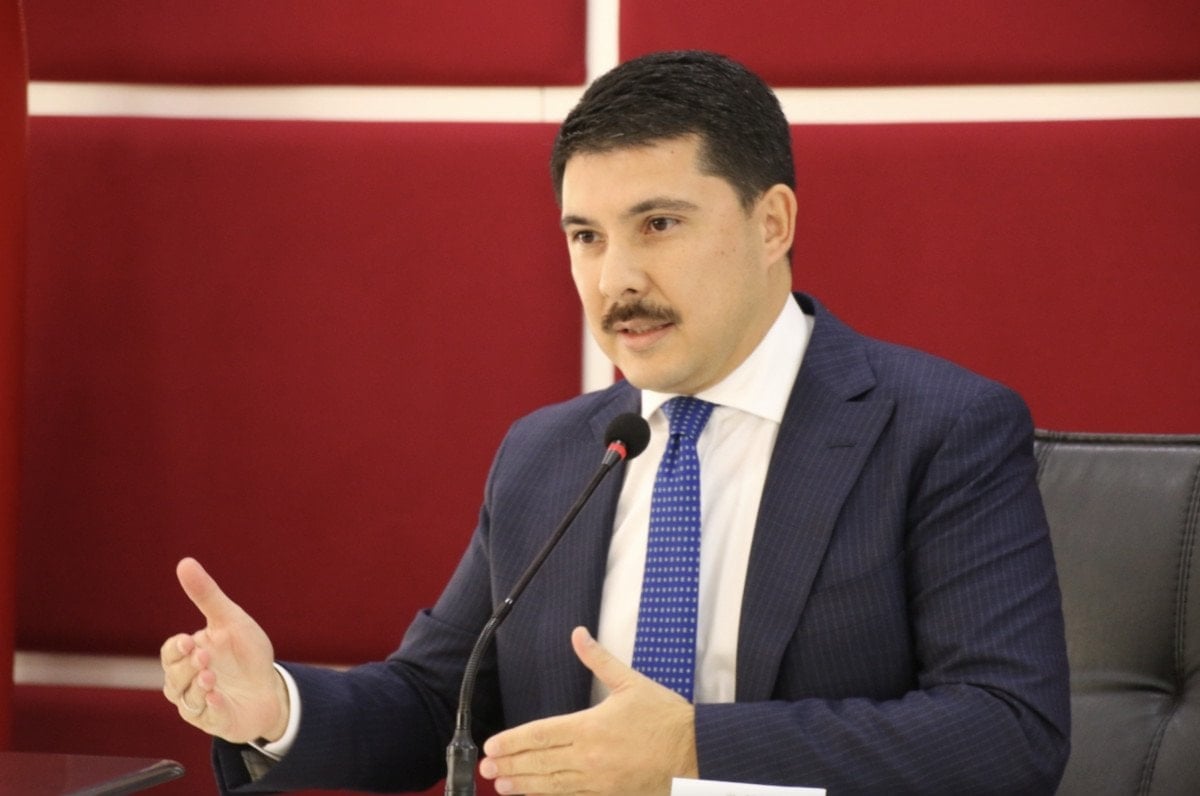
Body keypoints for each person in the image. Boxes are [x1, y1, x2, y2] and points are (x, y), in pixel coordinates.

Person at [161, 50, 1070, 794]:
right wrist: (275, 707)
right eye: (586, 236)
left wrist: (693, 751)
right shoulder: (550, 452)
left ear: (773, 223)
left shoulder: (939, 430)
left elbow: (1008, 732)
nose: (615, 280)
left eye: (659, 224)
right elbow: (439, 702)